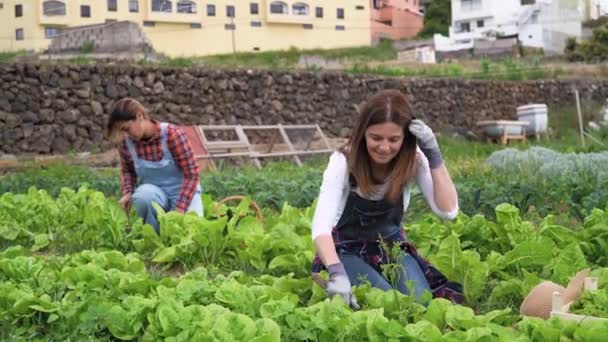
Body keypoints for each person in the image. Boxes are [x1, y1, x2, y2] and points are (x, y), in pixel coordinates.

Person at [311, 89, 462, 309]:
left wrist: (434, 156)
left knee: (419, 302)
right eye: (376, 138)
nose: (384, 147)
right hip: (346, 248)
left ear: (405, 138)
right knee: (385, 303)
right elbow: (321, 228)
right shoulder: (344, 161)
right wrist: (336, 272)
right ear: (363, 133)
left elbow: (448, 211)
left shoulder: (414, 159)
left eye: (393, 139)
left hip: (391, 245)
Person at [106, 98, 202, 233]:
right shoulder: (126, 143)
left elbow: (192, 173)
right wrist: (128, 192)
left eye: (126, 129)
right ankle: (154, 237)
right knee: (143, 197)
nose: (125, 134)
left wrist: (180, 209)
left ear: (139, 116)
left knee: (191, 232)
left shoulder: (171, 134)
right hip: (156, 194)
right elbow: (127, 170)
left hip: (183, 192)